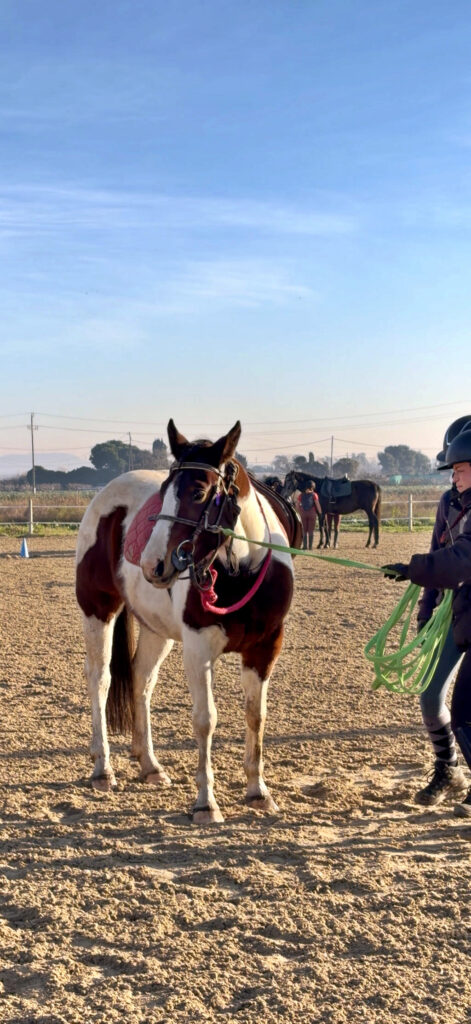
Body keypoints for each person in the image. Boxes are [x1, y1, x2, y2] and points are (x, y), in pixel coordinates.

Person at [383, 425, 471, 817]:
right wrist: (425, 611)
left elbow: (461, 559)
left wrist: (412, 568)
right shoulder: (449, 503)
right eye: (453, 470)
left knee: (466, 709)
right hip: (459, 610)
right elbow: (439, 552)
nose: (454, 477)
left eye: (460, 468)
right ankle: (448, 768)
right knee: (431, 694)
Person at [297, 482, 323, 551]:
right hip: (312, 513)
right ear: (313, 487)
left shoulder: (301, 495)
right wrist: (320, 513)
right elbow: (317, 504)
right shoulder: (314, 495)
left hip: (303, 513)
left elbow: (297, 504)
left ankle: (305, 546)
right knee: (311, 530)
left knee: (304, 530)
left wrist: (299, 512)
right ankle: (310, 547)